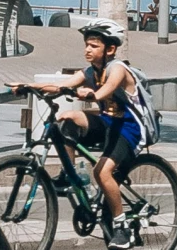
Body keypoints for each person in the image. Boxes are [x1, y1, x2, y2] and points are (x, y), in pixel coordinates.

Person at [34, 16, 153, 235]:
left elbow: (106, 90)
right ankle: (69, 177)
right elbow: (61, 85)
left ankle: (121, 226)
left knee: (102, 172)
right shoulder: (90, 71)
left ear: (110, 49)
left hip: (129, 129)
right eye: (86, 45)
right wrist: (28, 86)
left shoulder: (118, 69)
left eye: (93, 46)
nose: (87, 49)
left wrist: (92, 93)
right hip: (108, 122)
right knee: (66, 119)